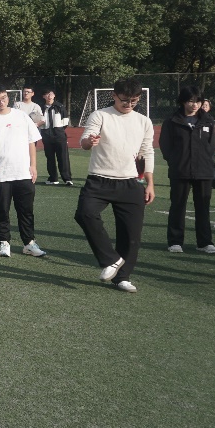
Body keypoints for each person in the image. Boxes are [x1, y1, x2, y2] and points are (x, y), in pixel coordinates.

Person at [74, 77, 155, 293]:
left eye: (134, 100)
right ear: (114, 96)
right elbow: (84, 141)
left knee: (131, 235)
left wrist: (149, 183)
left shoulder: (144, 121)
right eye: (124, 100)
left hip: (131, 182)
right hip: (99, 180)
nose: (129, 104)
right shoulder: (100, 115)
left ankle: (122, 278)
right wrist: (89, 142)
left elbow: (146, 152)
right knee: (84, 214)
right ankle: (111, 259)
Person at [0, 83, 45, 258]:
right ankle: (4, 242)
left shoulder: (21, 116)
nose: (1, 102)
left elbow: (31, 142)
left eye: (4, 98)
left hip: (23, 172)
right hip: (0, 174)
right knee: (2, 211)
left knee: (26, 211)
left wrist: (33, 166)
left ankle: (29, 243)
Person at [159, 86, 215, 254]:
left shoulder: (208, 120)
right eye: (191, 101)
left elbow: (212, 145)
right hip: (180, 170)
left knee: (203, 207)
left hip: (204, 171)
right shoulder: (172, 121)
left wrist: (206, 162)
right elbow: (165, 145)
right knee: (178, 206)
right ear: (183, 101)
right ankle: (175, 242)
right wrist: (175, 161)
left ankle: (205, 242)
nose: (194, 105)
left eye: (198, 101)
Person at [38, 88, 73, 185]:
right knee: (50, 158)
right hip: (46, 136)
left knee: (63, 157)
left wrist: (59, 131)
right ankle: (53, 178)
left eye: (51, 94)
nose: (49, 96)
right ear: (43, 96)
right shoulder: (41, 108)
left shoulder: (60, 106)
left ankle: (67, 179)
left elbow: (65, 121)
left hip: (59, 136)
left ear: (54, 95)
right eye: (47, 94)